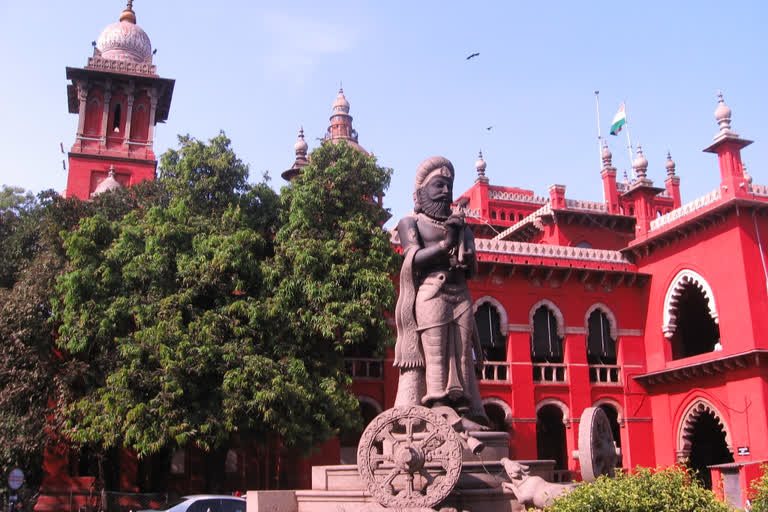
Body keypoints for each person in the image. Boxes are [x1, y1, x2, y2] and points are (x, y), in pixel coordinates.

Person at [393, 156, 488, 425]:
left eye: (449, 185)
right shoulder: (411, 223)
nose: (446, 191)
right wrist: (447, 241)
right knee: (435, 354)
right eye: (439, 185)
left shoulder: (461, 226)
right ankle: (437, 407)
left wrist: (463, 244)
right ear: (420, 192)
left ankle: (464, 409)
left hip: (460, 295)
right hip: (431, 292)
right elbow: (413, 258)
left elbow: (471, 270)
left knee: (461, 357)